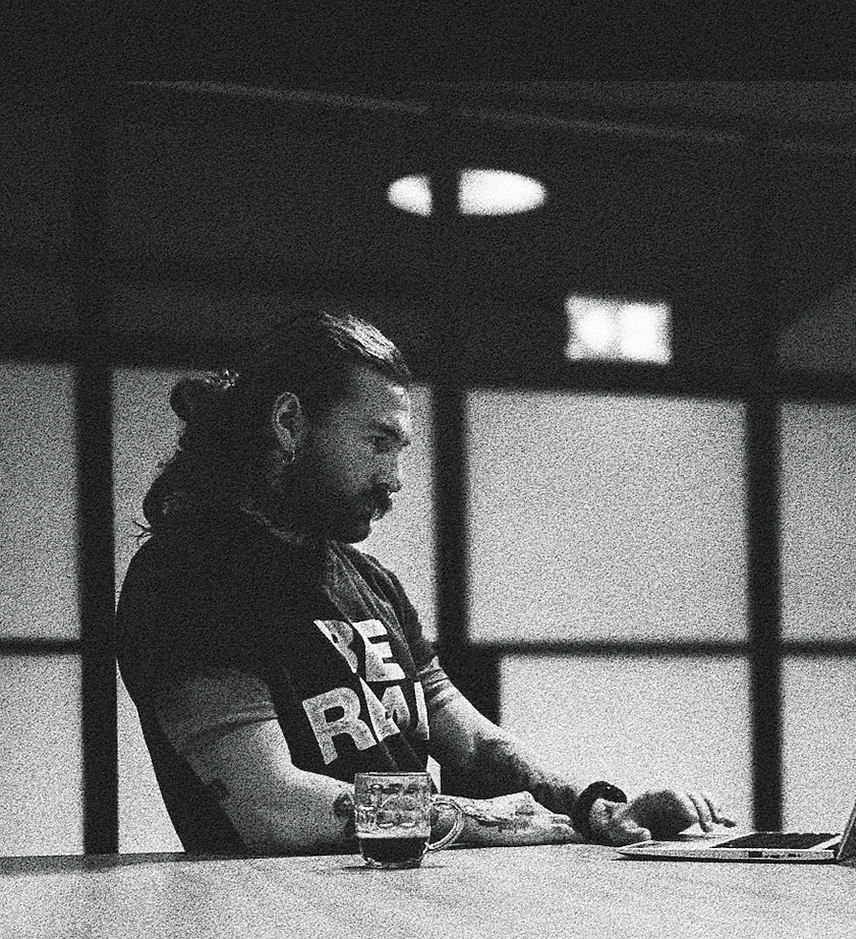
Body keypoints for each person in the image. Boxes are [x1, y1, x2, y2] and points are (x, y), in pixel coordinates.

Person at [116, 310, 735, 855]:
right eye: (379, 443)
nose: (397, 477)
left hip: (405, 908)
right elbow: (272, 808)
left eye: (402, 449)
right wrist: (492, 820)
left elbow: (460, 732)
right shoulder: (186, 578)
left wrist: (597, 810)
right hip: (281, 924)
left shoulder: (370, 580)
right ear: (289, 422)